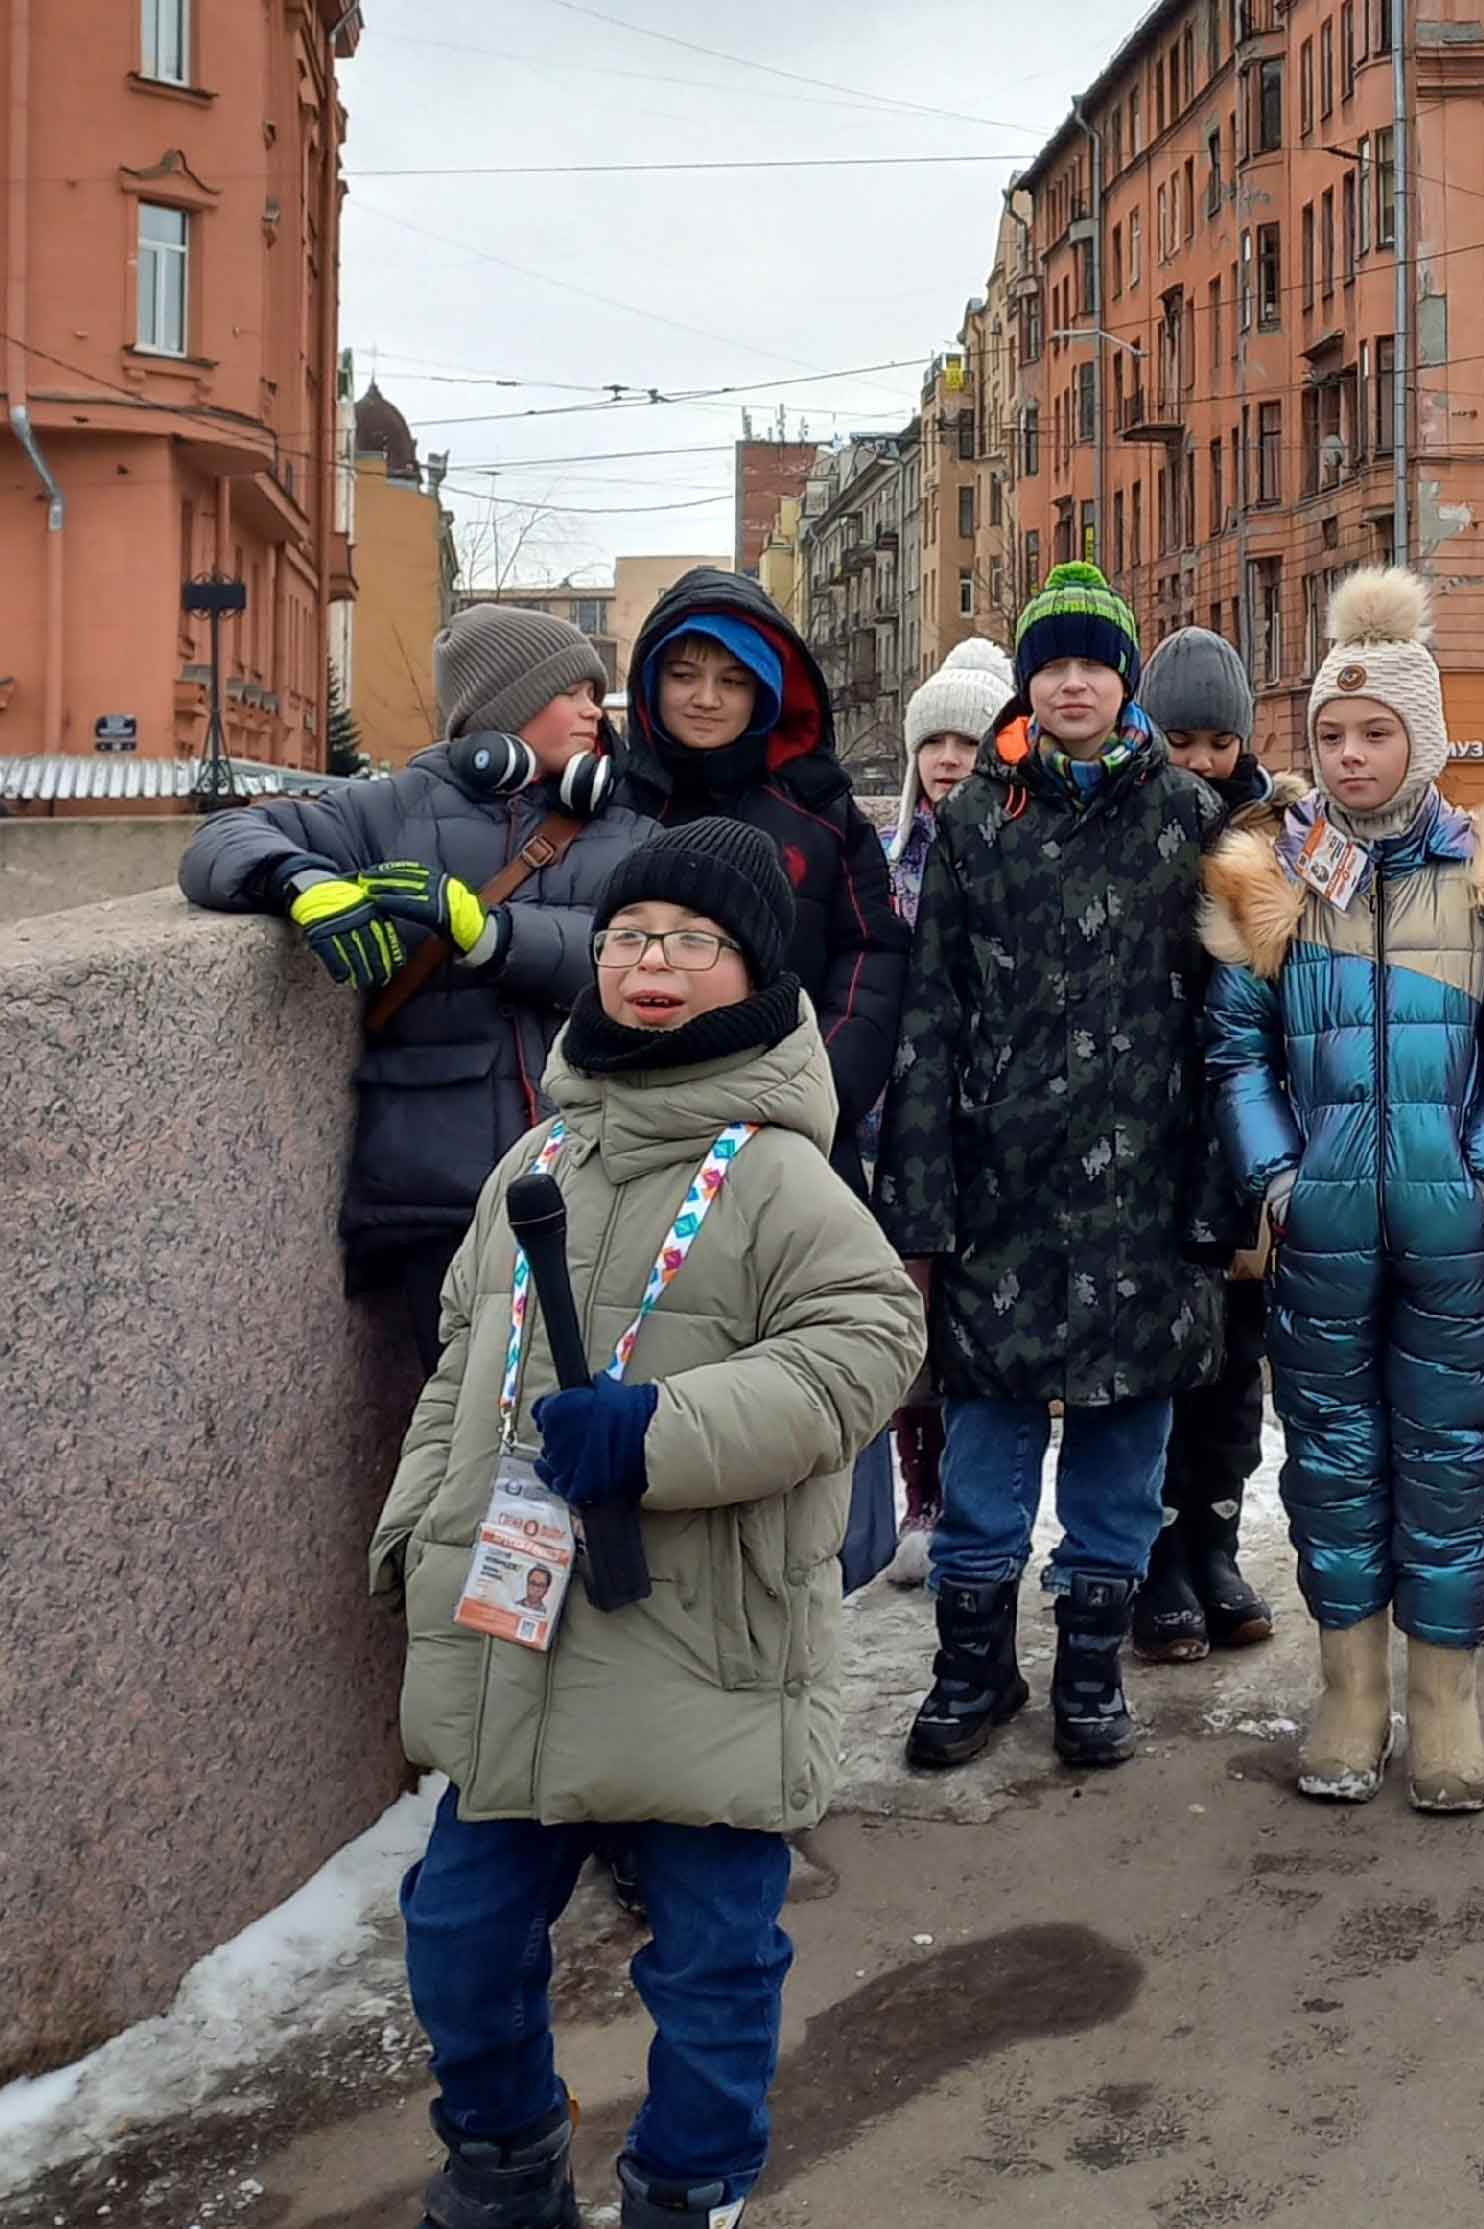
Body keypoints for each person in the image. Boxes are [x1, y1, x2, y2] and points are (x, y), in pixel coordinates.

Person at [370, 817, 925, 2227]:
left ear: (750, 973)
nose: (651, 964)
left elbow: (867, 1343)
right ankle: (503, 2163)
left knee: (713, 1961)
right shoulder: (536, 1157)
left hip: (705, 1635)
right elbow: (462, 1358)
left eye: (691, 941)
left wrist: (662, 1436)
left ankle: (690, 2190)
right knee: (460, 1932)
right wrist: (415, 1528)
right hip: (517, 1627)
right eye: (628, 938)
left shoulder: (780, 1173)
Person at [1203, 567, 1484, 1813]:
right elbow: (1236, 1046)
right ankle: (1350, 1689)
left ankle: (1448, 1700)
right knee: (1330, 1459)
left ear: (1425, 738)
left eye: (1377, 733)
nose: (1351, 756)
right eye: (1331, 736)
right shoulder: (1275, 877)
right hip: (1319, 1236)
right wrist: (1277, 1176)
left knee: (1455, 1455)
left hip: (1449, 1235)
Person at [877, 561, 1236, 1773]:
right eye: (1053, 663)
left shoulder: (1189, 819)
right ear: (1028, 683)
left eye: (1094, 661)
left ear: (1124, 682)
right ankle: (974, 1665)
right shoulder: (980, 820)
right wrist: (920, 1202)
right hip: (1001, 1195)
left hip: (1146, 1188)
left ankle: (1091, 1663)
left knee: (1123, 1447)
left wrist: (1220, 1194)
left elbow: (1232, 1016)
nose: (1073, 681)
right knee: (984, 1442)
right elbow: (929, 1021)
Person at [180, 604, 652, 1372]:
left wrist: (495, 936)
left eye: (593, 691)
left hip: (594, 1185)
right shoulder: (389, 811)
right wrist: (296, 877)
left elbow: (626, 956)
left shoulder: (626, 830)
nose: (591, 709)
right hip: (435, 1201)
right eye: (571, 690)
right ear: (504, 705)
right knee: (451, 1436)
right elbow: (216, 841)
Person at [611, 568, 908, 1196]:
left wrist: (820, 1085)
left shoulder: (822, 812)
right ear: (650, 681)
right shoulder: (612, 806)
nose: (706, 699)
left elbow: (870, 956)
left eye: (733, 680)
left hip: (796, 1134)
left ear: (767, 692)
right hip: (635, 1133)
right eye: (684, 675)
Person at [1131, 624, 1286, 1663]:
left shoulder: (1281, 838)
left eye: (1215, 742)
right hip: (1140, 1138)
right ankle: (1153, 1562)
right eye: (1176, 738)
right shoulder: (1126, 826)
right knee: (1151, 1359)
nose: (1196, 762)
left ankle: (1215, 1543)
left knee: (1234, 1357)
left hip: (1245, 1136)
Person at [876, 637, 1018, 1589]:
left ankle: (980, 1501)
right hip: (893, 1119)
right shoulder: (883, 865)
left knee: (978, 1322)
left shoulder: (1014, 856)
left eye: (968, 741)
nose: (948, 759)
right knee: (904, 1317)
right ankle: (920, 1495)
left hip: (987, 1119)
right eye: (934, 742)